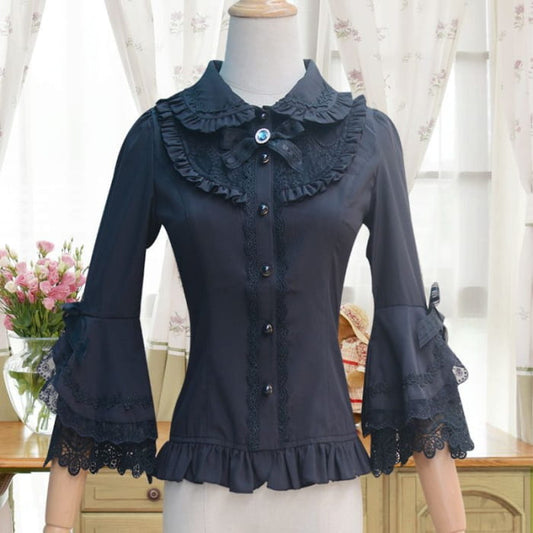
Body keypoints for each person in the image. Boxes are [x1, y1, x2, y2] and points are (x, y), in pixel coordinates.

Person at [41, 1, 473, 532]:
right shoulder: (159, 137)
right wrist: (57, 523)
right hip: (204, 489)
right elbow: (107, 315)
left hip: (325, 489)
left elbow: (402, 312)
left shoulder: (367, 138)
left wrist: (452, 524)